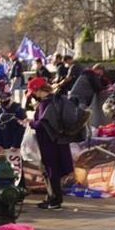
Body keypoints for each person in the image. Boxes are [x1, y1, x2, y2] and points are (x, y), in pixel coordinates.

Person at [28, 76, 74, 210]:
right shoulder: (57, 100)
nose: (34, 96)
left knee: (50, 170)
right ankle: (52, 197)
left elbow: (42, 124)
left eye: (34, 92)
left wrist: (30, 122)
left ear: (39, 90)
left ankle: (54, 199)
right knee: (54, 170)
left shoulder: (45, 104)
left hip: (48, 142)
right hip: (59, 140)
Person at [69, 62, 108, 127]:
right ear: (98, 69)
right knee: (81, 117)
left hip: (75, 96)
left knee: (78, 115)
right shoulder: (92, 74)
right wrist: (106, 88)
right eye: (102, 72)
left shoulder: (88, 74)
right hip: (80, 98)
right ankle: (80, 131)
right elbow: (97, 88)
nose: (102, 74)